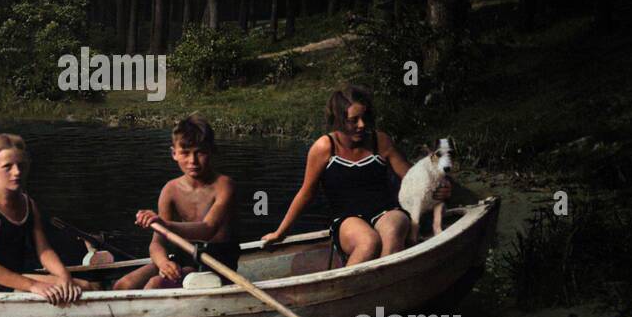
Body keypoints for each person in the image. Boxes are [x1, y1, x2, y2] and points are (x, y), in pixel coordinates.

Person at [260, 84, 449, 265]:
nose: (362, 125)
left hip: (386, 211)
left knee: (392, 231)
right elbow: (306, 193)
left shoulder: (380, 141)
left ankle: (383, 293)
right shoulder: (324, 148)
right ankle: (342, 292)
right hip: (347, 218)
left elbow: (413, 179)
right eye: (353, 120)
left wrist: (441, 188)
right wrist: (280, 232)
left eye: (365, 118)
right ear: (338, 120)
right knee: (368, 242)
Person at [0, 134, 96, 305]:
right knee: (85, 287)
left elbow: (44, 251)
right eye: (7, 167)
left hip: (18, 275)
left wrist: (64, 275)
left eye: (21, 165)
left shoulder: (27, 203)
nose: (17, 172)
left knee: (84, 286)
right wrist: (34, 285)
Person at [114, 113, 238, 290]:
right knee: (123, 285)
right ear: (174, 154)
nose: (192, 161)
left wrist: (164, 224)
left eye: (200, 152)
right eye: (185, 153)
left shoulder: (224, 186)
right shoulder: (170, 190)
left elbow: (208, 229)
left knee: (155, 284)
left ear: (211, 151)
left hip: (216, 262)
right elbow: (157, 243)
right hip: (184, 258)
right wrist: (163, 262)